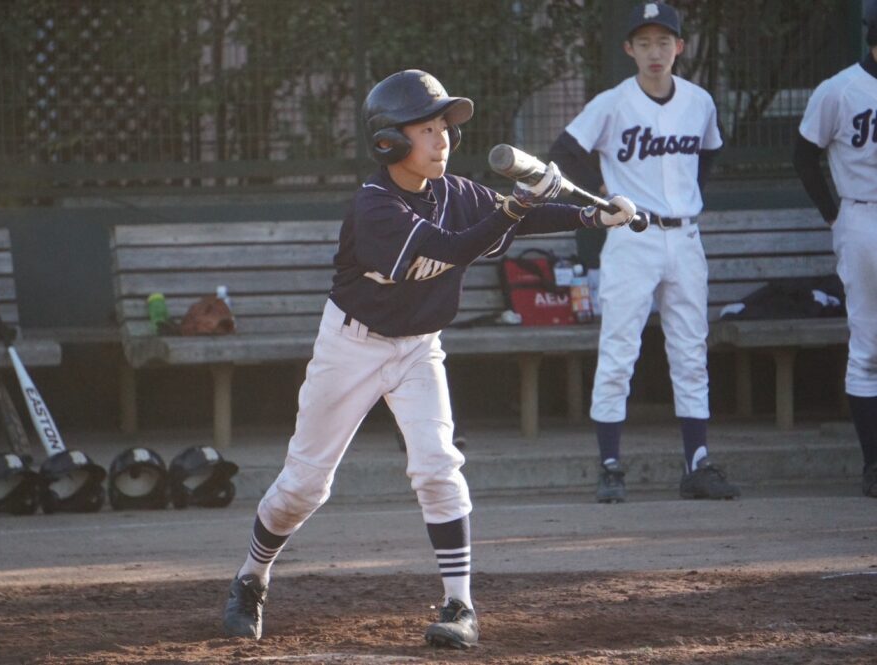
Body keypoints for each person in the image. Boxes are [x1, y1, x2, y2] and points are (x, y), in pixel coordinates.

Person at [221, 69, 637, 648]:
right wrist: (517, 206)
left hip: (419, 347)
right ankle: (252, 578)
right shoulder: (374, 207)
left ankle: (461, 606)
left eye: (444, 126)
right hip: (352, 346)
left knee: (439, 465)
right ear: (389, 141)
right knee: (304, 487)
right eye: (425, 128)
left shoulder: (455, 191)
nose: (441, 138)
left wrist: (591, 215)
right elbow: (453, 249)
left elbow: (510, 216)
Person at [548, 1, 739, 503]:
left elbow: (709, 153)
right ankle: (610, 465)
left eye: (664, 42)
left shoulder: (698, 102)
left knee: (691, 352)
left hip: (685, 236)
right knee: (618, 351)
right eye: (644, 43)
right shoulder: (613, 103)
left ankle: (697, 462)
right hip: (632, 237)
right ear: (629, 49)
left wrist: (687, 198)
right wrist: (602, 194)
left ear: (679, 47)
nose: (655, 52)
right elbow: (563, 153)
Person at [794, 0, 877, 498]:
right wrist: (834, 212)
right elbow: (803, 155)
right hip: (863, 214)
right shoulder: (840, 89)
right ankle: (874, 465)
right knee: (868, 345)